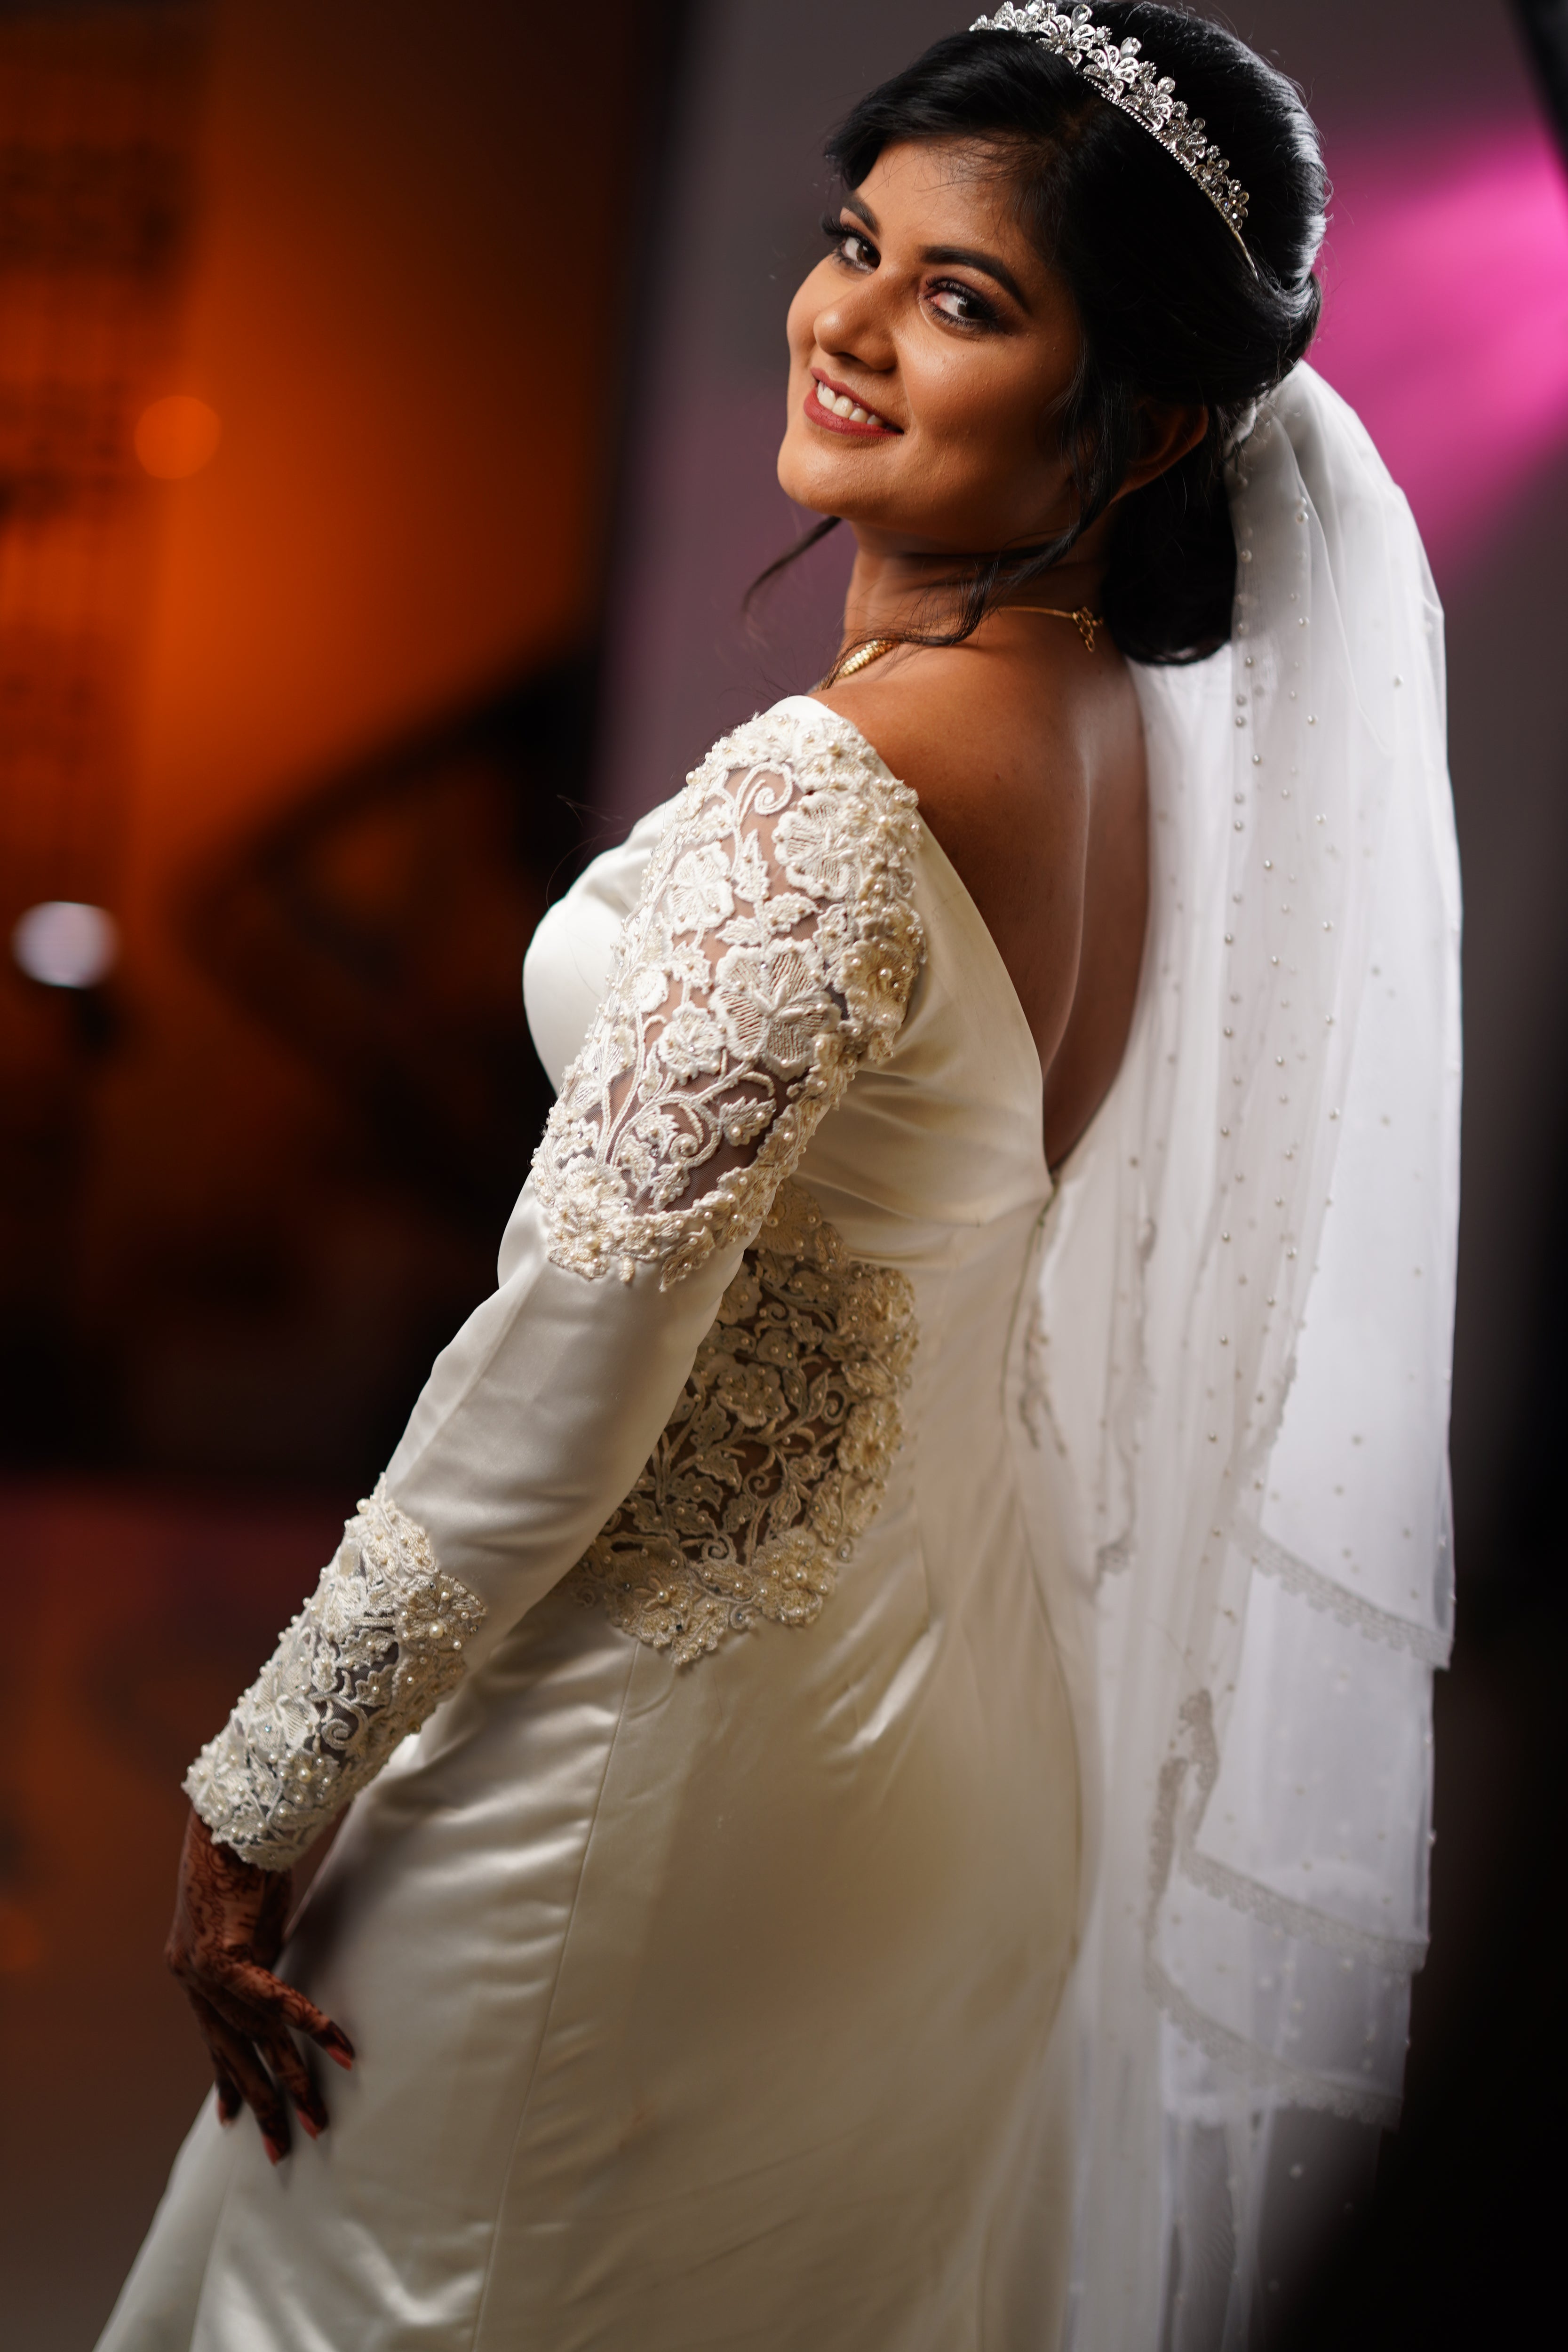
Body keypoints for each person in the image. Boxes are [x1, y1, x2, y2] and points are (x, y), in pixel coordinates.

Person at [99, 8, 1459, 2347]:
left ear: (1130, 415)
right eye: (859, 241)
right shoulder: (1121, 749)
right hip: (934, 1739)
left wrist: (267, 1779)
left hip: (656, 1741)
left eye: (966, 296)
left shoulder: (840, 798)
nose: (844, 318)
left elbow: (569, 1354)